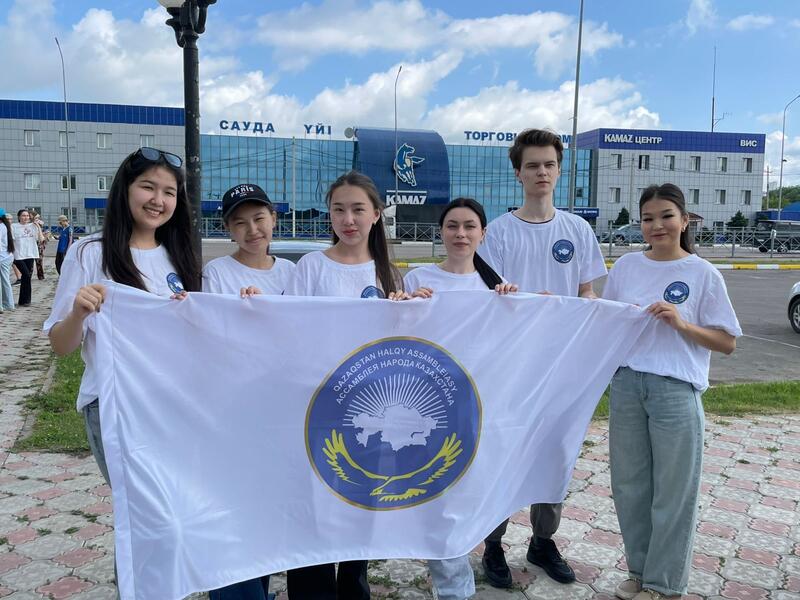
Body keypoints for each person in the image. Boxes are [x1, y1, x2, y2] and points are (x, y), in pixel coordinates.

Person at [43, 147, 201, 595]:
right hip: (114, 406)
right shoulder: (89, 253)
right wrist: (78, 312)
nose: (158, 200)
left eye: (169, 192)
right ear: (125, 190)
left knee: (172, 516)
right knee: (147, 516)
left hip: (172, 409)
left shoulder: (179, 255)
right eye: (148, 187)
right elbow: (61, 345)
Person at [476, 128, 607, 587]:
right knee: (503, 453)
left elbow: (587, 291)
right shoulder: (497, 233)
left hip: (562, 367)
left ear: (559, 169)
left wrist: (583, 306)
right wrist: (534, 305)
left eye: (549, 164)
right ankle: (493, 544)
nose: (541, 172)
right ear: (518, 173)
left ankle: (542, 541)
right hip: (511, 367)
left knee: (556, 452)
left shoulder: (578, 230)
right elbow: (490, 301)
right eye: (532, 165)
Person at [603, 184, 740, 600]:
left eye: (666, 216)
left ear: (684, 220)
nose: (656, 225)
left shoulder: (703, 273)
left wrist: (682, 324)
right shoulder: (626, 267)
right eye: (648, 218)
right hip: (628, 387)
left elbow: (727, 342)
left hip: (675, 391)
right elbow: (606, 323)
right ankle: (639, 572)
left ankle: (664, 584)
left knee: (673, 491)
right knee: (630, 487)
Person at [285, 170, 408, 600]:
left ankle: (354, 584)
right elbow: (287, 332)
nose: (348, 219)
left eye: (358, 209)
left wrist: (415, 310)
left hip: (371, 415)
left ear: (376, 214)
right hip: (318, 407)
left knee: (359, 499)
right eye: (339, 210)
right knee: (315, 505)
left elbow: (403, 346)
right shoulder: (311, 268)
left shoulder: (390, 275)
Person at [404, 197, 517, 600]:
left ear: (483, 233)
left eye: (470, 226)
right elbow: (396, 334)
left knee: (472, 493)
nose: (461, 234)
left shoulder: (495, 285)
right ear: (441, 232)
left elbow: (512, 343)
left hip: (478, 407)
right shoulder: (418, 278)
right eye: (452, 226)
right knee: (439, 497)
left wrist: (513, 304)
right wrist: (406, 306)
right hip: (429, 408)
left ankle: (468, 563)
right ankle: (454, 586)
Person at [202, 182, 295, 600]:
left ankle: (261, 585)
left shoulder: (292, 273)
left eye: (259, 218)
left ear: (274, 219)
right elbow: (213, 335)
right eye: (239, 223)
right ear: (228, 230)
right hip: (235, 408)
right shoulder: (218, 273)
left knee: (270, 506)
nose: (252, 230)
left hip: (283, 408)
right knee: (235, 503)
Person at [11, 208, 40, 307]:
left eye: (27, 216)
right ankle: (26, 300)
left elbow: (40, 238)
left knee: (26, 277)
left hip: (30, 254)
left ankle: (23, 300)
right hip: (18, 255)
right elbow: (11, 241)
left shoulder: (33, 226)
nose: (26, 217)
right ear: (19, 217)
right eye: (23, 216)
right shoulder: (14, 226)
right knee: (26, 275)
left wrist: (38, 226)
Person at [0, 209, 14, 313]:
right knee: (5, 281)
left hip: (2, 257)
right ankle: (8, 304)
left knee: (4, 282)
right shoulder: (5, 226)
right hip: (6, 256)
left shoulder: (1, 227)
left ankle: (4, 305)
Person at [32, 211, 49, 280]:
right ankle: (29, 274)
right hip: (32, 243)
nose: (37, 219)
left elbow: (45, 231)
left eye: (38, 218)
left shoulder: (40, 223)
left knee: (39, 260)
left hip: (39, 243)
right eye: (36, 218)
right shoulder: (30, 224)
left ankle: (41, 275)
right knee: (31, 260)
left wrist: (45, 234)